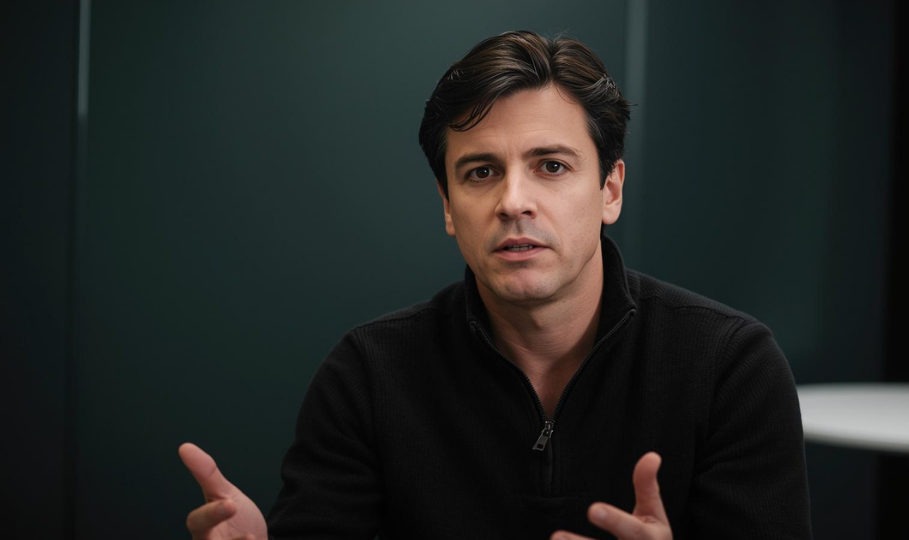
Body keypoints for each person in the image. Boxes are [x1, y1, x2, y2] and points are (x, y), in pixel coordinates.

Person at [180, 31, 812, 540]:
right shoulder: (367, 375)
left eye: (551, 166)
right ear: (448, 206)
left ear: (610, 190)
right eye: (481, 172)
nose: (513, 201)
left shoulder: (731, 368)